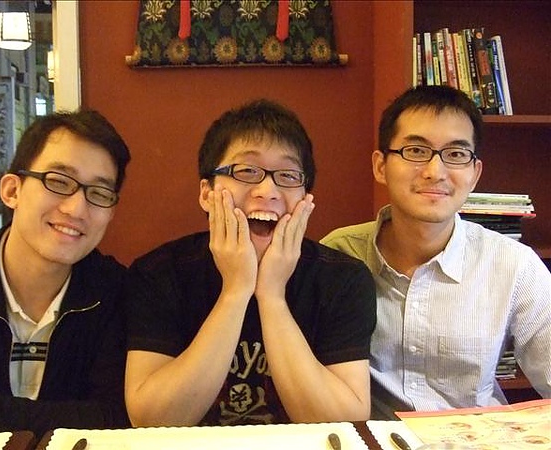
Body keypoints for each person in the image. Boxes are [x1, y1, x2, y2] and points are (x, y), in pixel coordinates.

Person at [124, 99, 376, 427]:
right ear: (207, 193)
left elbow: (344, 424)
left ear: (305, 199)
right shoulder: (158, 273)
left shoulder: (343, 279)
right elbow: (151, 420)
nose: (267, 190)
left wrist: (272, 296)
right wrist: (236, 290)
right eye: (246, 171)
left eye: (288, 175)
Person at [321, 85, 551, 418]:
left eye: (456, 154)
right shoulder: (337, 256)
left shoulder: (514, 265)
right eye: (416, 150)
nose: (435, 171)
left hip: (475, 437)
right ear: (380, 166)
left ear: (474, 174)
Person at [0, 110, 132, 437]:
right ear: (12, 190)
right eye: (58, 182)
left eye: (99, 193)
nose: (76, 209)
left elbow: (117, 417)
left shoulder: (117, 293)